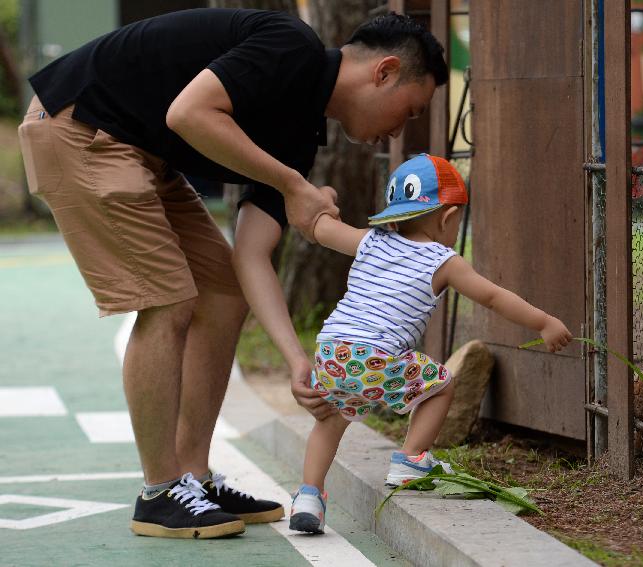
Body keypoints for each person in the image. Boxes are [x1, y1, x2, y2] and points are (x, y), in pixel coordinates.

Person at [17, 8, 448, 539]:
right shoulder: (293, 47)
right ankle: (159, 493)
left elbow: (250, 255)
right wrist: (292, 185)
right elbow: (189, 112)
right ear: (382, 73)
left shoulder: (300, 134)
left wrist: (297, 361)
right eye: (410, 110)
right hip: (82, 126)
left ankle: (193, 476)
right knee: (168, 299)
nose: (398, 130)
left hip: (140, 150)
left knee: (220, 290)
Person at [287, 154, 574, 534]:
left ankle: (309, 496)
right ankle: (409, 459)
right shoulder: (443, 260)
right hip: (378, 358)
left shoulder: (369, 241)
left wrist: (322, 198)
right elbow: (492, 297)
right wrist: (544, 322)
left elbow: (322, 229)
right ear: (448, 217)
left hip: (333, 353)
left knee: (330, 421)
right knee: (440, 383)